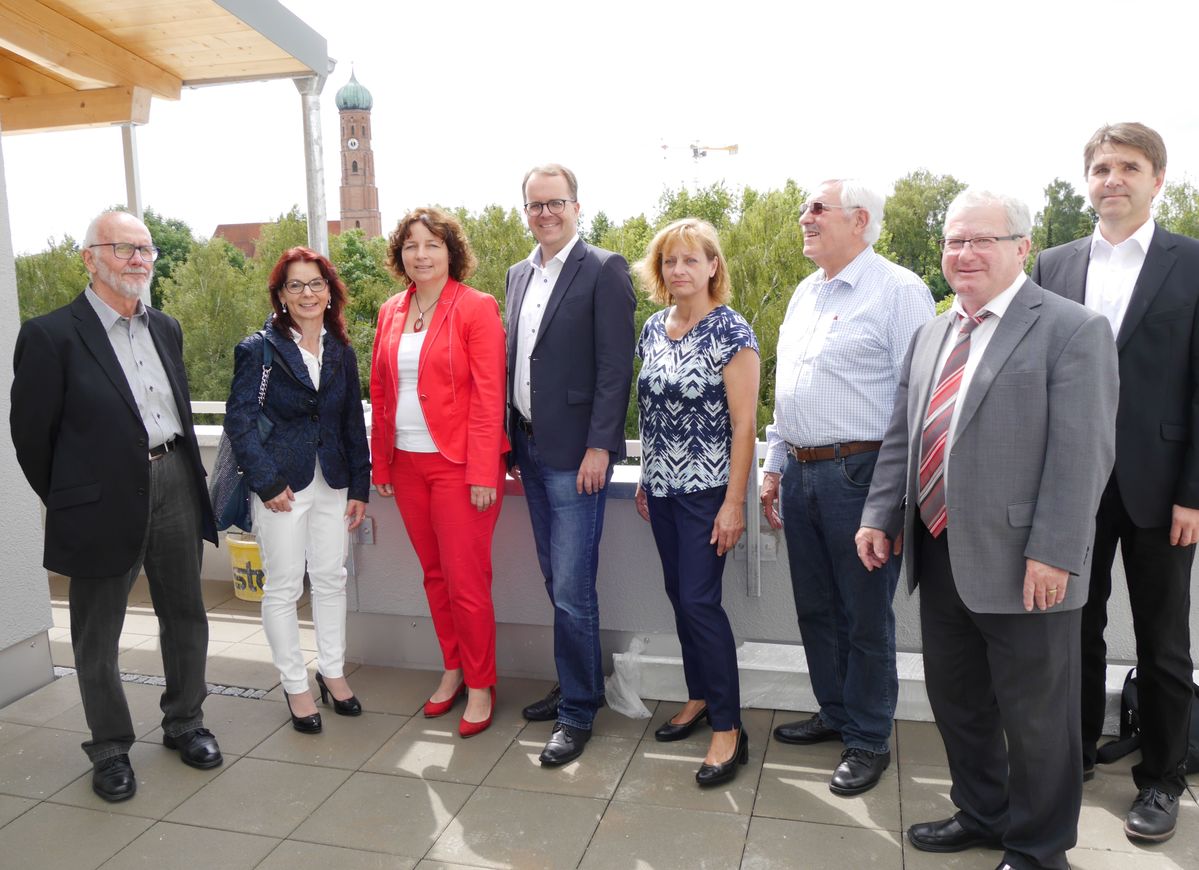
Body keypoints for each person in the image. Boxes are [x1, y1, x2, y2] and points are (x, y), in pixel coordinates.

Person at [857, 188, 1118, 870]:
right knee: (959, 701)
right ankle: (982, 814)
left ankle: (1038, 849)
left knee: (1037, 720)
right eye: (953, 240)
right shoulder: (932, 333)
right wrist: (880, 514)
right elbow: (903, 436)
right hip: (940, 549)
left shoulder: (1071, 329)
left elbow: (1082, 455)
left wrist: (1054, 552)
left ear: (1021, 248)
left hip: (1028, 562)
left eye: (981, 240)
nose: (963, 253)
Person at [10, 209, 222, 801]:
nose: (138, 260)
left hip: (174, 478)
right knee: (97, 634)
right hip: (99, 499)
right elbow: (31, 436)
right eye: (123, 248)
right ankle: (109, 748)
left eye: (145, 249)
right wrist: (72, 498)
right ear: (90, 258)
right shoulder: (50, 335)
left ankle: (185, 722)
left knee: (186, 613)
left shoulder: (166, 327)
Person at [1032, 121, 1199, 843]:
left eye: (1128, 167)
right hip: (1071, 484)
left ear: (1156, 180)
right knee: (1072, 629)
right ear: (1088, 180)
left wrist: (1193, 492)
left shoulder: (1191, 263)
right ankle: (1069, 758)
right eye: (1101, 167)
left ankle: (1161, 779)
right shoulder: (1053, 265)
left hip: (1162, 489)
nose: (1113, 179)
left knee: (1163, 643)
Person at [760, 179, 934, 796]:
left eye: (817, 208)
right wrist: (775, 464)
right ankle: (834, 712)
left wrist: (894, 500)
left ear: (859, 220)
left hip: (863, 477)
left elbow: (919, 401)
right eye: (804, 207)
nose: (803, 217)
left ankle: (867, 738)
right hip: (802, 471)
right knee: (816, 607)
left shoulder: (899, 291)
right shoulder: (806, 292)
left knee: (863, 615)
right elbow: (788, 389)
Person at [506, 163, 636, 766]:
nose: (546, 214)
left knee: (573, 588)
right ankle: (575, 682)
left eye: (555, 203)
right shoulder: (518, 274)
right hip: (530, 449)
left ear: (576, 207)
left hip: (578, 456)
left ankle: (579, 710)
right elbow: (517, 360)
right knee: (555, 580)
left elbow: (615, 367)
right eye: (535, 205)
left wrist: (600, 446)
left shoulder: (604, 269)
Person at [370, 208, 508, 738]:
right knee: (434, 576)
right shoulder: (390, 310)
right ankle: (453, 669)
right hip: (407, 464)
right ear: (400, 255)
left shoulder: (475, 307)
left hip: (459, 467)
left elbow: (489, 395)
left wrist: (483, 471)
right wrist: (382, 460)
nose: (421, 254)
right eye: (411, 245)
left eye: (432, 244)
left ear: (451, 252)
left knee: (466, 582)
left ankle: (481, 683)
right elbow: (381, 390)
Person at [632, 218, 760, 786]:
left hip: (708, 491)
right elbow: (651, 413)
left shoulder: (732, 331)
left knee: (700, 601)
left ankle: (729, 728)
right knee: (679, 597)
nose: (678, 270)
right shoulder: (653, 328)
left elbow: (744, 425)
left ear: (713, 266)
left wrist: (733, 504)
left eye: (690, 260)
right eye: (669, 261)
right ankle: (700, 695)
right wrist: (645, 477)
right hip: (661, 489)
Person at [225, 247, 370, 734]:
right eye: (296, 285)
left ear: (329, 292)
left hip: (333, 481)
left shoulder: (341, 350)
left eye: (316, 284)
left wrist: (360, 486)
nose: (307, 293)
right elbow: (240, 422)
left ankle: (332, 671)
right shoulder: (258, 349)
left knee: (331, 578)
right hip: (281, 488)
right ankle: (294, 684)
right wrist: (267, 482)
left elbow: (351, 423)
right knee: (284, 586)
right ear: (281, 295)